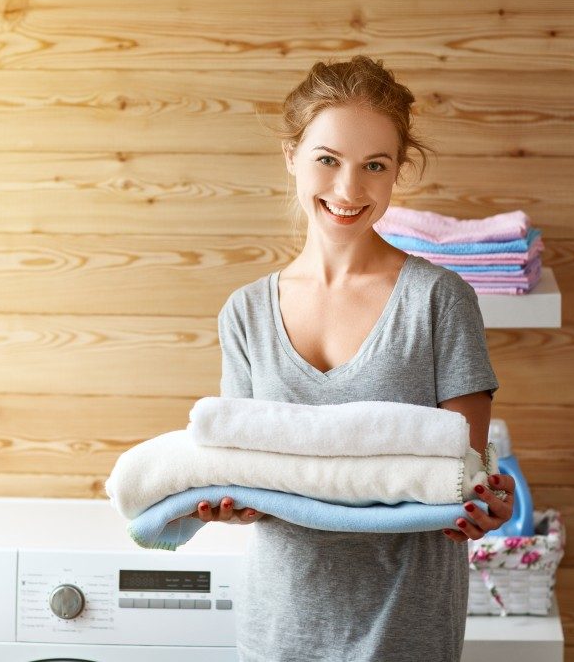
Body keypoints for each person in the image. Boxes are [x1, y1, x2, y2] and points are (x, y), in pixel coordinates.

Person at [187, 56, 517, 660]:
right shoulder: (246, 313)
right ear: (291, 156)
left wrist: (488, 501)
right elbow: (244, 467)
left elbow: (464, 471)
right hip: (278, 625)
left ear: (398, 173)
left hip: (404, 626)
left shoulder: (439, 300)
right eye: (327, 160)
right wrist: (229, 502)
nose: (348, 190)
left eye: (374, 166)